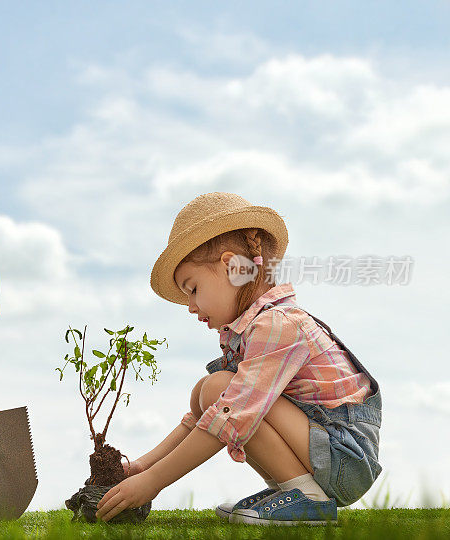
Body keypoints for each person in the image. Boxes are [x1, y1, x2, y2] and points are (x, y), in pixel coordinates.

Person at [95, 192, 382, 526]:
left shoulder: (279, 325)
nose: (190, 306)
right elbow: (204, 417)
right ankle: (290, 489)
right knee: (207, 391)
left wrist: (153, 483)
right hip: (325, 451)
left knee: (220, 391)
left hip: (345, 459)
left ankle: (308, 497)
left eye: (192, 288)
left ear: (232, 268)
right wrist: (143, 466)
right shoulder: (251, 330)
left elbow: (230, 415)